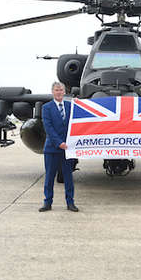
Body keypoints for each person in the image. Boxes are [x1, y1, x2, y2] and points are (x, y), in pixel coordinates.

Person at [39, 82, 77, 212]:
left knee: (68, 177)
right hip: (52, 148)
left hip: (68, 149)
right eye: (56, 90)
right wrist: (59, 142)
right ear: (52, 92)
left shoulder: (71, 106)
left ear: (64, 92)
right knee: (49, 177)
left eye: (61, 90)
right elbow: (48, 127)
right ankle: (47, 203)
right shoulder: (46, 108)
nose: (59, 92)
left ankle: (70, 202)